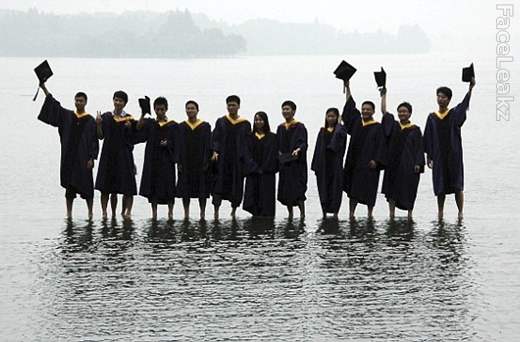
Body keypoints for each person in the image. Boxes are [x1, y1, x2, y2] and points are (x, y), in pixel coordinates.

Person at [37, 83, 98, 220]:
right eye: (76, 100)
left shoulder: (90, 121)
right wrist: (44, 88)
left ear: (86, 102)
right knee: (69, 189)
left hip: (84, 159)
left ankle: (90, 213)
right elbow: (54, 105)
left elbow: (94, 140)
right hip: (69, 158)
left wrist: (92, 158)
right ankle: (69, 214)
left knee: (87, 188)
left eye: (81, 100)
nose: (78, 102)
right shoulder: (68, 116)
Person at [424, 77, 476, 220]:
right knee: (440, 185)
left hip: (454, 155)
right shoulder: (432, 117)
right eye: (439, 96)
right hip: (439, 156)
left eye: (443, 97)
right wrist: (429, 156)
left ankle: (460, 212)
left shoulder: (454, 114)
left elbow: (464, 104)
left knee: (457, 184)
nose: (440, 99)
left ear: (448, 99)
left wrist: (470, 89)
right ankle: (440, 212)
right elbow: (428, 138)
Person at [341, 80, 385, 219]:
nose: (365, 111)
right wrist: (348, 87)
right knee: (353, 189)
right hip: (354, 162)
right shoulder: (356, 122)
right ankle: (351, 213)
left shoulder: (378, 127)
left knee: (370, 189)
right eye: (363, 109)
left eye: (368, 109)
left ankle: (370, 214)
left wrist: (377, 161)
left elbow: (381, 145)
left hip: (369, 163)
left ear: (373, 111)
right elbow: (349, 106)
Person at [380, 87, 425, 220]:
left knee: (409, 188)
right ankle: (391, 214)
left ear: (410, 113)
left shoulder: (415, 130)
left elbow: (419, 148)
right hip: (393, 163)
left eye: (405, 112)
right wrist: (383, 95)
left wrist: (418, 163)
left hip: (408, 165)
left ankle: (410, 214)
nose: (402, 114)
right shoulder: (394, 126)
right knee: (391, 189)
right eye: (400, 112)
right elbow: (384, 113)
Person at [95, 90, 138, 220]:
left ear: (125, 103)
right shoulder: (106, 117)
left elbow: (134, 139)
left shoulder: (130, 119)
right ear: (113, 100)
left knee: (127, 187)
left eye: (120, 100)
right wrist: (98, 124)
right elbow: (100, 136)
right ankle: (106, 213)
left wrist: (130, 128)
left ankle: (126, 212)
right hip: (108, 155)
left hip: (124, 156)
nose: (118, 102)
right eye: (116, 100)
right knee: (107, 186)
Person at [211, 95, 252, 220]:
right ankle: (216, 212)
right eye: (229, 105)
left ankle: (233, 212)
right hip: (222, 160)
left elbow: (248, 143)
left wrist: (245, 160)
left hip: (237, 161)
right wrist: (215, 151)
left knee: (236, 187)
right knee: (218, 186)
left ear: (238, 106)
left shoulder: (245, 124)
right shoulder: (221, 121)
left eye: (234, 105)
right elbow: (215, 138)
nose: (231, 107)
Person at [137, 97, 177, 220]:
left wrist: (168, 143)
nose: (160, 111)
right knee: (153, 185)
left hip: (167, 159)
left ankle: (170, 213)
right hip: (153, 159)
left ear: (166, 109)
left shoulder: (173, 126)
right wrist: (143, 112)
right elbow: (138, 128)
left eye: (162, 109)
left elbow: (177, 142)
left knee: (169, 185)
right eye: (157, 109)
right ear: (154, 109)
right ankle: (154, 213)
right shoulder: (150, 123)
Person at [176, 100, 212, 220]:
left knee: (202, 190)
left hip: (200, 162)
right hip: (186, 162)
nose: (190, 110)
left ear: (197, 110)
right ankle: (186, 213)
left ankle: (202, 213)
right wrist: (178, 162)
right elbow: (178, 146)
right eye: (188, 108)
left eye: (192, 108)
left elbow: (208, 145)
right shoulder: (181, 126)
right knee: (185, 190)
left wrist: (207, 161)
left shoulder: (205, 126)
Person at [311, 107, 347, 218]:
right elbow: (317, 149)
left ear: (337, 118)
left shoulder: (341, 131)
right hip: (323, 165)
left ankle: (336, 213)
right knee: (323, 188)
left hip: (335, 165)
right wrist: (315, 166)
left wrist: (339, 125)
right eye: (328, 116)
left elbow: (336, 145)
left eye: (333, 116)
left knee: (335, 189)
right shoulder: (322, 131)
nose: (330, 118)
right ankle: (324, 212)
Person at [276, 100, 308, 219]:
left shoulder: (300, 126)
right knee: (286, 190)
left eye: (287, 109)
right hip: (285, 163)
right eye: (283, 109)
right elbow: (277, 144)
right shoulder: (280, 128)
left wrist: (298, 149)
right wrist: (278, 153)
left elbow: (304, 143)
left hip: (297, 164)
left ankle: (302, 214)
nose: (285, 111)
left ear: (293, 111)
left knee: (298, 190)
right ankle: (290, 214)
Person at [243, 111, 278, 217]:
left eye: (261, 120)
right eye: (256, 120)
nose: (258, 122)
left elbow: (273, 154)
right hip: (253, 172)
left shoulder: (272, 137)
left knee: (266, 201)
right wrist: (254, 167)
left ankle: (267, 225)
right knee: (253, 199)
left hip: (267, 173)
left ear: (265, 121)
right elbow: (246, 153)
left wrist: (265, 168)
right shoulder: (249, 136)